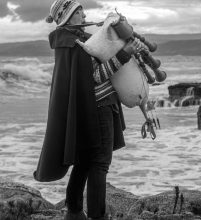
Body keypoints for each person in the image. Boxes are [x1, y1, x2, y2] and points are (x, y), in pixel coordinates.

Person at [33, 0, 145, 219]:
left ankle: (74, 210)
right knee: (100, 164)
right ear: (66, 17)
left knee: (84, 160)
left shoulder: (68, 41)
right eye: (79, 12)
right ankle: (97, 215)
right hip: (98, 108)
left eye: (83, 12)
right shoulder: (77, 43)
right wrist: (125, 54)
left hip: (85, 108)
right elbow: (95, 77)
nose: (84, 17)